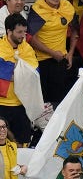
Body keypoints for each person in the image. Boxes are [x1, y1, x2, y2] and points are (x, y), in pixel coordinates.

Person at [27, 0, 78, 106]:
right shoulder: (38, 9)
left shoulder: (67, 6)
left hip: (61, 60)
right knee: (44, 102)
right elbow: (31, 38)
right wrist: (52, 53)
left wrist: (71, 53)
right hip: (41, 61)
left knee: (61, 100)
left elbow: (75, 31)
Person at [0, 14, 38, 146]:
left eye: (25, 31)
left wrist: (12, 72)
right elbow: (3, 75)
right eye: (19, 32)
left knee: (22, 143)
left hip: (22, 104)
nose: (23, 35)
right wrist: (20, 70)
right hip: (2, 104)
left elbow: (33, 74)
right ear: (9, 31)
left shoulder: (27, 48)